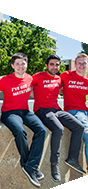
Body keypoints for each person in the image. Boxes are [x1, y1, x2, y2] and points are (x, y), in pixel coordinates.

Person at [0, 52, 46, 187]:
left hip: (25, 112)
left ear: (26, 65)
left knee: (41, 130)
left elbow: (38, 91)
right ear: (13, 66)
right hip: (9, 113)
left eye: (23, 63)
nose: (20, 66)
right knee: (20, 131)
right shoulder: (6, 80)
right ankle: (28, 166)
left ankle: (31, 165)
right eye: (18, 64)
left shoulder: (30, 79)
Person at [32, 54, 85, 182]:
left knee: (79, 127)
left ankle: (72, 158)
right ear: (46, 65)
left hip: (57, 110)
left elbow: (68, 87)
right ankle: (54, 165)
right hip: (42, 110)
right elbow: (23, 83)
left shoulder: (59, 79)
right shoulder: (37, 77)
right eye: (52, 64)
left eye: (57, 64)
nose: (55, 67)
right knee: (58, 129)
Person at [61, 53, 88, 172]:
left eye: (84, 63)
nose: (81, 65)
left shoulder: (87, 80)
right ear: (75, 64)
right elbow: (52, 82)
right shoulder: (66, 75)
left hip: (85, 112)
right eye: (79, 63)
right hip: (73, 111)